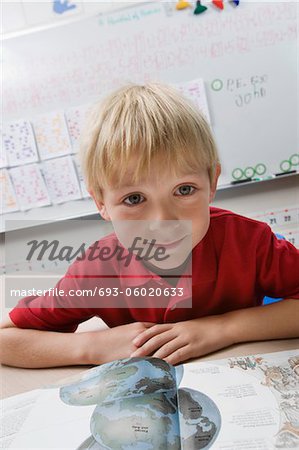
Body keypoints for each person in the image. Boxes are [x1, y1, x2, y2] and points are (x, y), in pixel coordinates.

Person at [1, 83, 298, 368]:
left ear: (212, 183)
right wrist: (93, 346)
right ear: (101, 203)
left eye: (184, 190)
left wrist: (222, 328)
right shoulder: (97, 270)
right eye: (134, 199)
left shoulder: (250, 241)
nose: (163, 222)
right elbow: (6, 337)